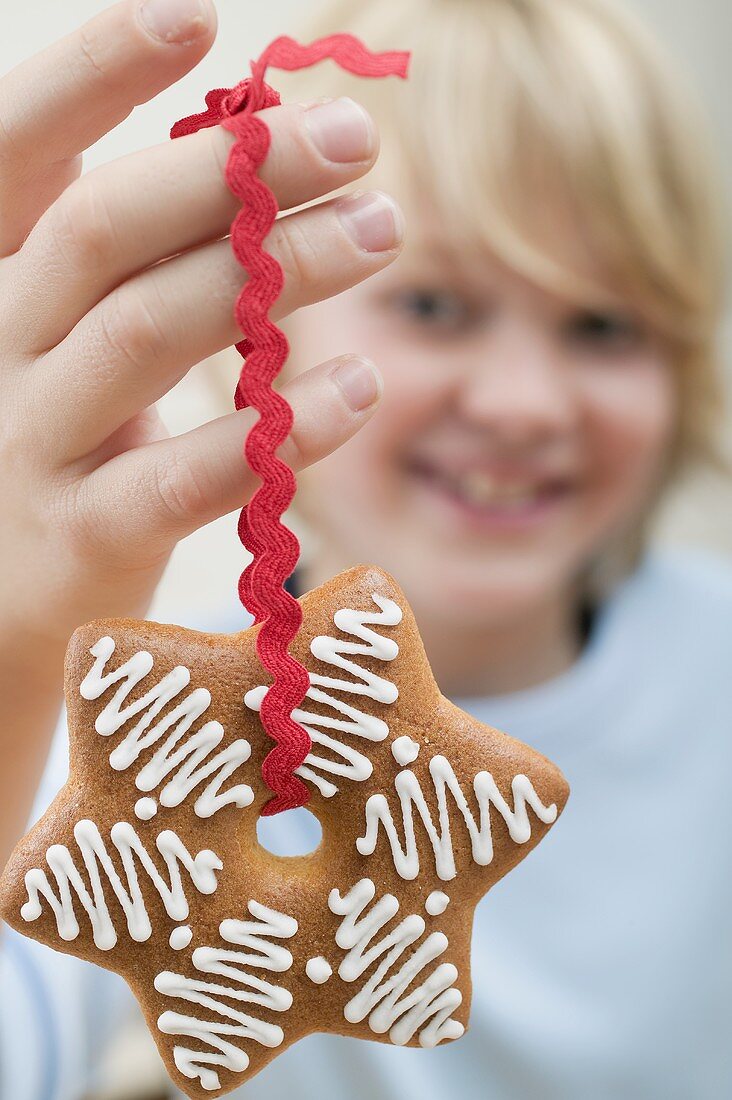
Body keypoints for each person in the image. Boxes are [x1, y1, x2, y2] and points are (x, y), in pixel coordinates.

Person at [0, 0, 729, 1097]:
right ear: (260, 334)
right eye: (437, 303)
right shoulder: (134, 728)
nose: (526, 403)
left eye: (604, 326)